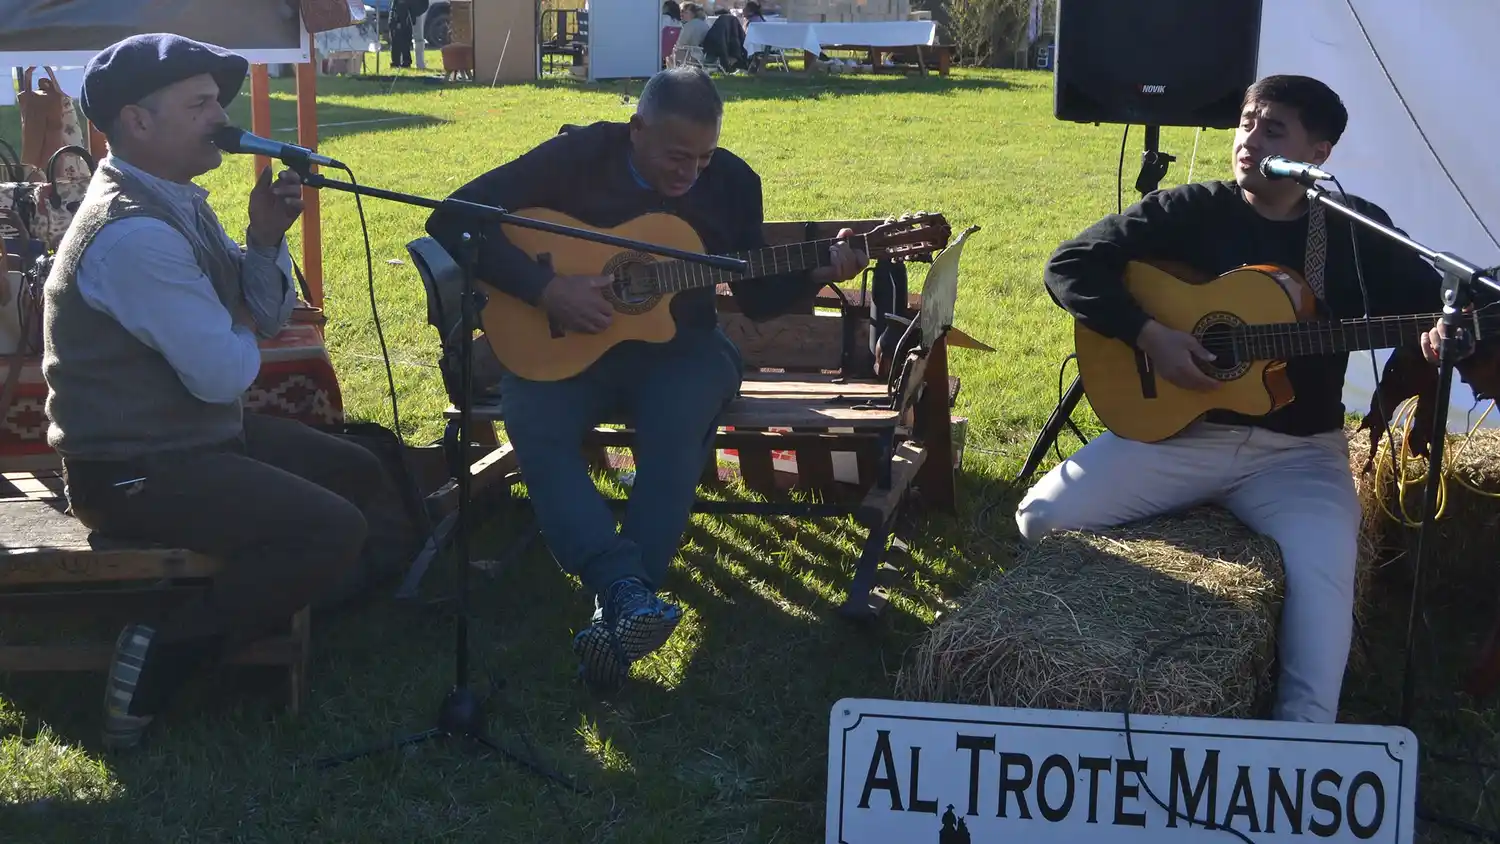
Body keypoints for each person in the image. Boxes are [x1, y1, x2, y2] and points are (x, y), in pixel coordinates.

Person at [1015, 74, 1458, 724]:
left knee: (1325, 576)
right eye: (1247, 122)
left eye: (1272, 128)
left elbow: (1435, 304)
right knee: (1041, 516)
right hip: (1181, 435)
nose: (1249, 139)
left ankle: (1301, 744)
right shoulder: (1194, 210)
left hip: (1297, 456)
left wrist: (1443, 334)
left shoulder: (1354, 232)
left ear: (1319, 152)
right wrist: (1151, 335)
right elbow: (1071, 263)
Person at [425, 66, 868, 688]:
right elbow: (451, 218)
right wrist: (546, 288)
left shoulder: (732, 184)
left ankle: (620, 611)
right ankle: (624, 593)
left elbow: (758, 298)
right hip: (568, 343)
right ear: (636, 130)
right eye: (675, 156)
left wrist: (824, 268)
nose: (689, 173)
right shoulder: (578, 156)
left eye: (704, 157)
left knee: (677, 422)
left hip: (679, 348)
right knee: (534, 418)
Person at [42, 33, 385, 750]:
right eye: (200, 104)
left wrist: (263, 240)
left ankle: (278, 613)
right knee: (333, 527)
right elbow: (226, 371)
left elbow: (257, 313)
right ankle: (164, 653)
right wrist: (229, 315)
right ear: (138, 121)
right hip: (133, 471)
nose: (220, 118)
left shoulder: (173, 202)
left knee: (360, 471)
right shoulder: (133, 235)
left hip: (188, 440)